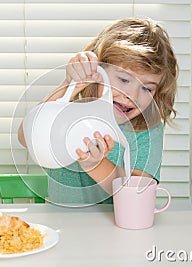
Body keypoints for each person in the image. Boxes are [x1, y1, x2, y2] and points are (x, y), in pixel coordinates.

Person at [18, 17, 178, 206]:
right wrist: (69, 85)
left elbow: (137, 193)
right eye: (124, 80)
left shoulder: (147, 130)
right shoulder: (69, 111)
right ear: (99, 70)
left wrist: (95, 165)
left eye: (146, 88)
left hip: (117, 230)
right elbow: (25, 137)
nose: (132, 95)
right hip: (63, 224)